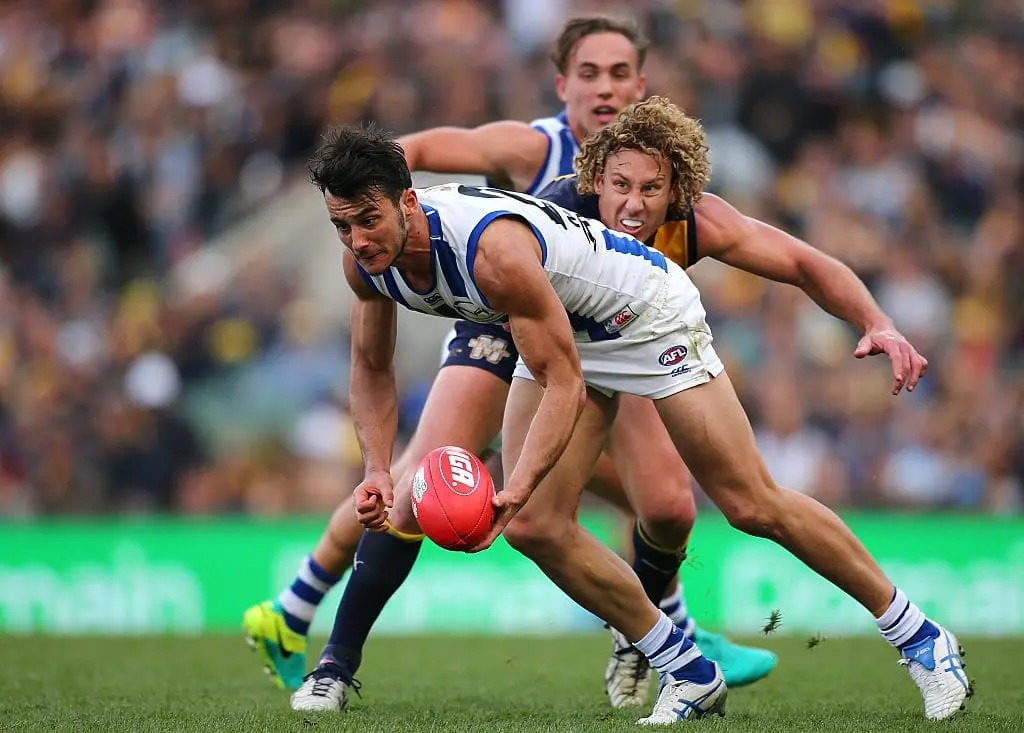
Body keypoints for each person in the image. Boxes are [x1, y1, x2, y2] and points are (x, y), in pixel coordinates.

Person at [293, 122, 970, 724]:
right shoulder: (368, 266)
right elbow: (371, 369)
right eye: (342, 226)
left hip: (645, 315)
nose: (357, 239)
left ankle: (921, 637)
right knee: (535, 530)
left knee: (750, 504)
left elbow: (564, 379)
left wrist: (518, 479)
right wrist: (378, 467)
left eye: (367, 220)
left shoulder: (492, 254)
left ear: (408, 201)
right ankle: (689, 672)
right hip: (563, 332)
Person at [243, 15, 772, 708]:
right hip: (497, 323)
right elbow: (429, 151)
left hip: (592, 326)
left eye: (618, 74)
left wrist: (872, 318)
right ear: (564, 84)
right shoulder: (529, 147)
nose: (604, 87)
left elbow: (566, 371)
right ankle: (321, 645)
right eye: (590, 73)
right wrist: (366, 176)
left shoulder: (646, 181)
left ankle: (662, 628)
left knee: (668, 506)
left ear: (642, 87)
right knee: (412, 484)